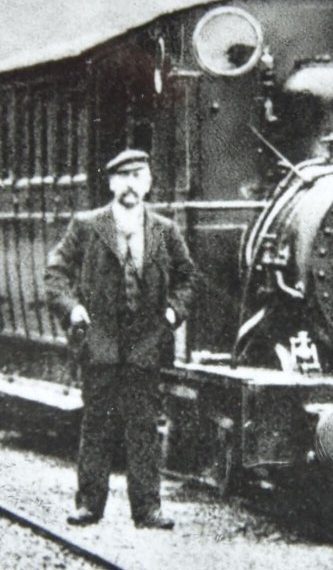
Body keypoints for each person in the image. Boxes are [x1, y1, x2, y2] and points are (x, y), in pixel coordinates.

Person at [45, 149, 196, 528]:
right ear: (112, 183)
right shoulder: (87, 225)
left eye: (138, 176)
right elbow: (55, 274)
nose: (131, 184)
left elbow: (188, 279)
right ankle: (88, 506)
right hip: (100, 344)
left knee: (143, 426)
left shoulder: (165, 229)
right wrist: (73, 309)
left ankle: (147, 510)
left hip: (146, 344)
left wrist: (172, 312)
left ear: (148, 183)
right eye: (123, 177)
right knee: (97, 424)